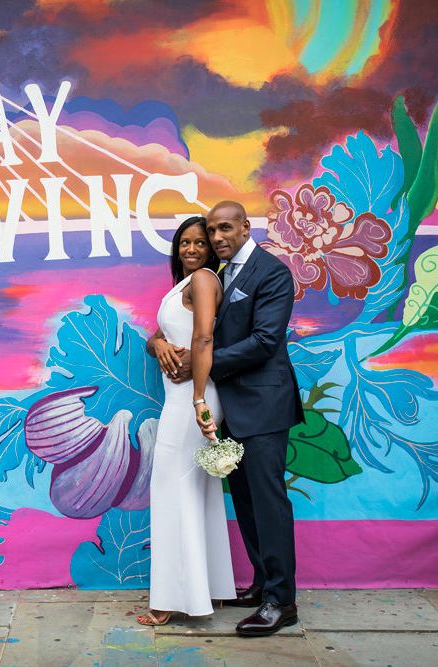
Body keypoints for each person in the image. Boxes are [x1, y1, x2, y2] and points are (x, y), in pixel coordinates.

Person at [197, 200, 305, 637]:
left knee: (268, 502)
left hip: (264, 406)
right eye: (212, 231)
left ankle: (283, 601)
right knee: (244, 501)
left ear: (245, 227)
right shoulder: (221, 275)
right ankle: (263, 585)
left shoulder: (272, 272)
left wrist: (203, 365)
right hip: (233, 410)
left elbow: (264, 341)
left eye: (225, 228)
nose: (217, 238)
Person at [137, 215, 236, 626]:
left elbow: (204, 337)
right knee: (195, 493)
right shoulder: (186, 283)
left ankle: (170, 600)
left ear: (212, 249)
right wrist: (157, 343)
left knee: (170, 491)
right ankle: (209, 589)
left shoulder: (203, 280)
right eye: (185, 243)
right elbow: (161, 334)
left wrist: (197, 397)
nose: (192, 249)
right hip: (183, 396)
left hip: (190, 398)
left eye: (200, 243)